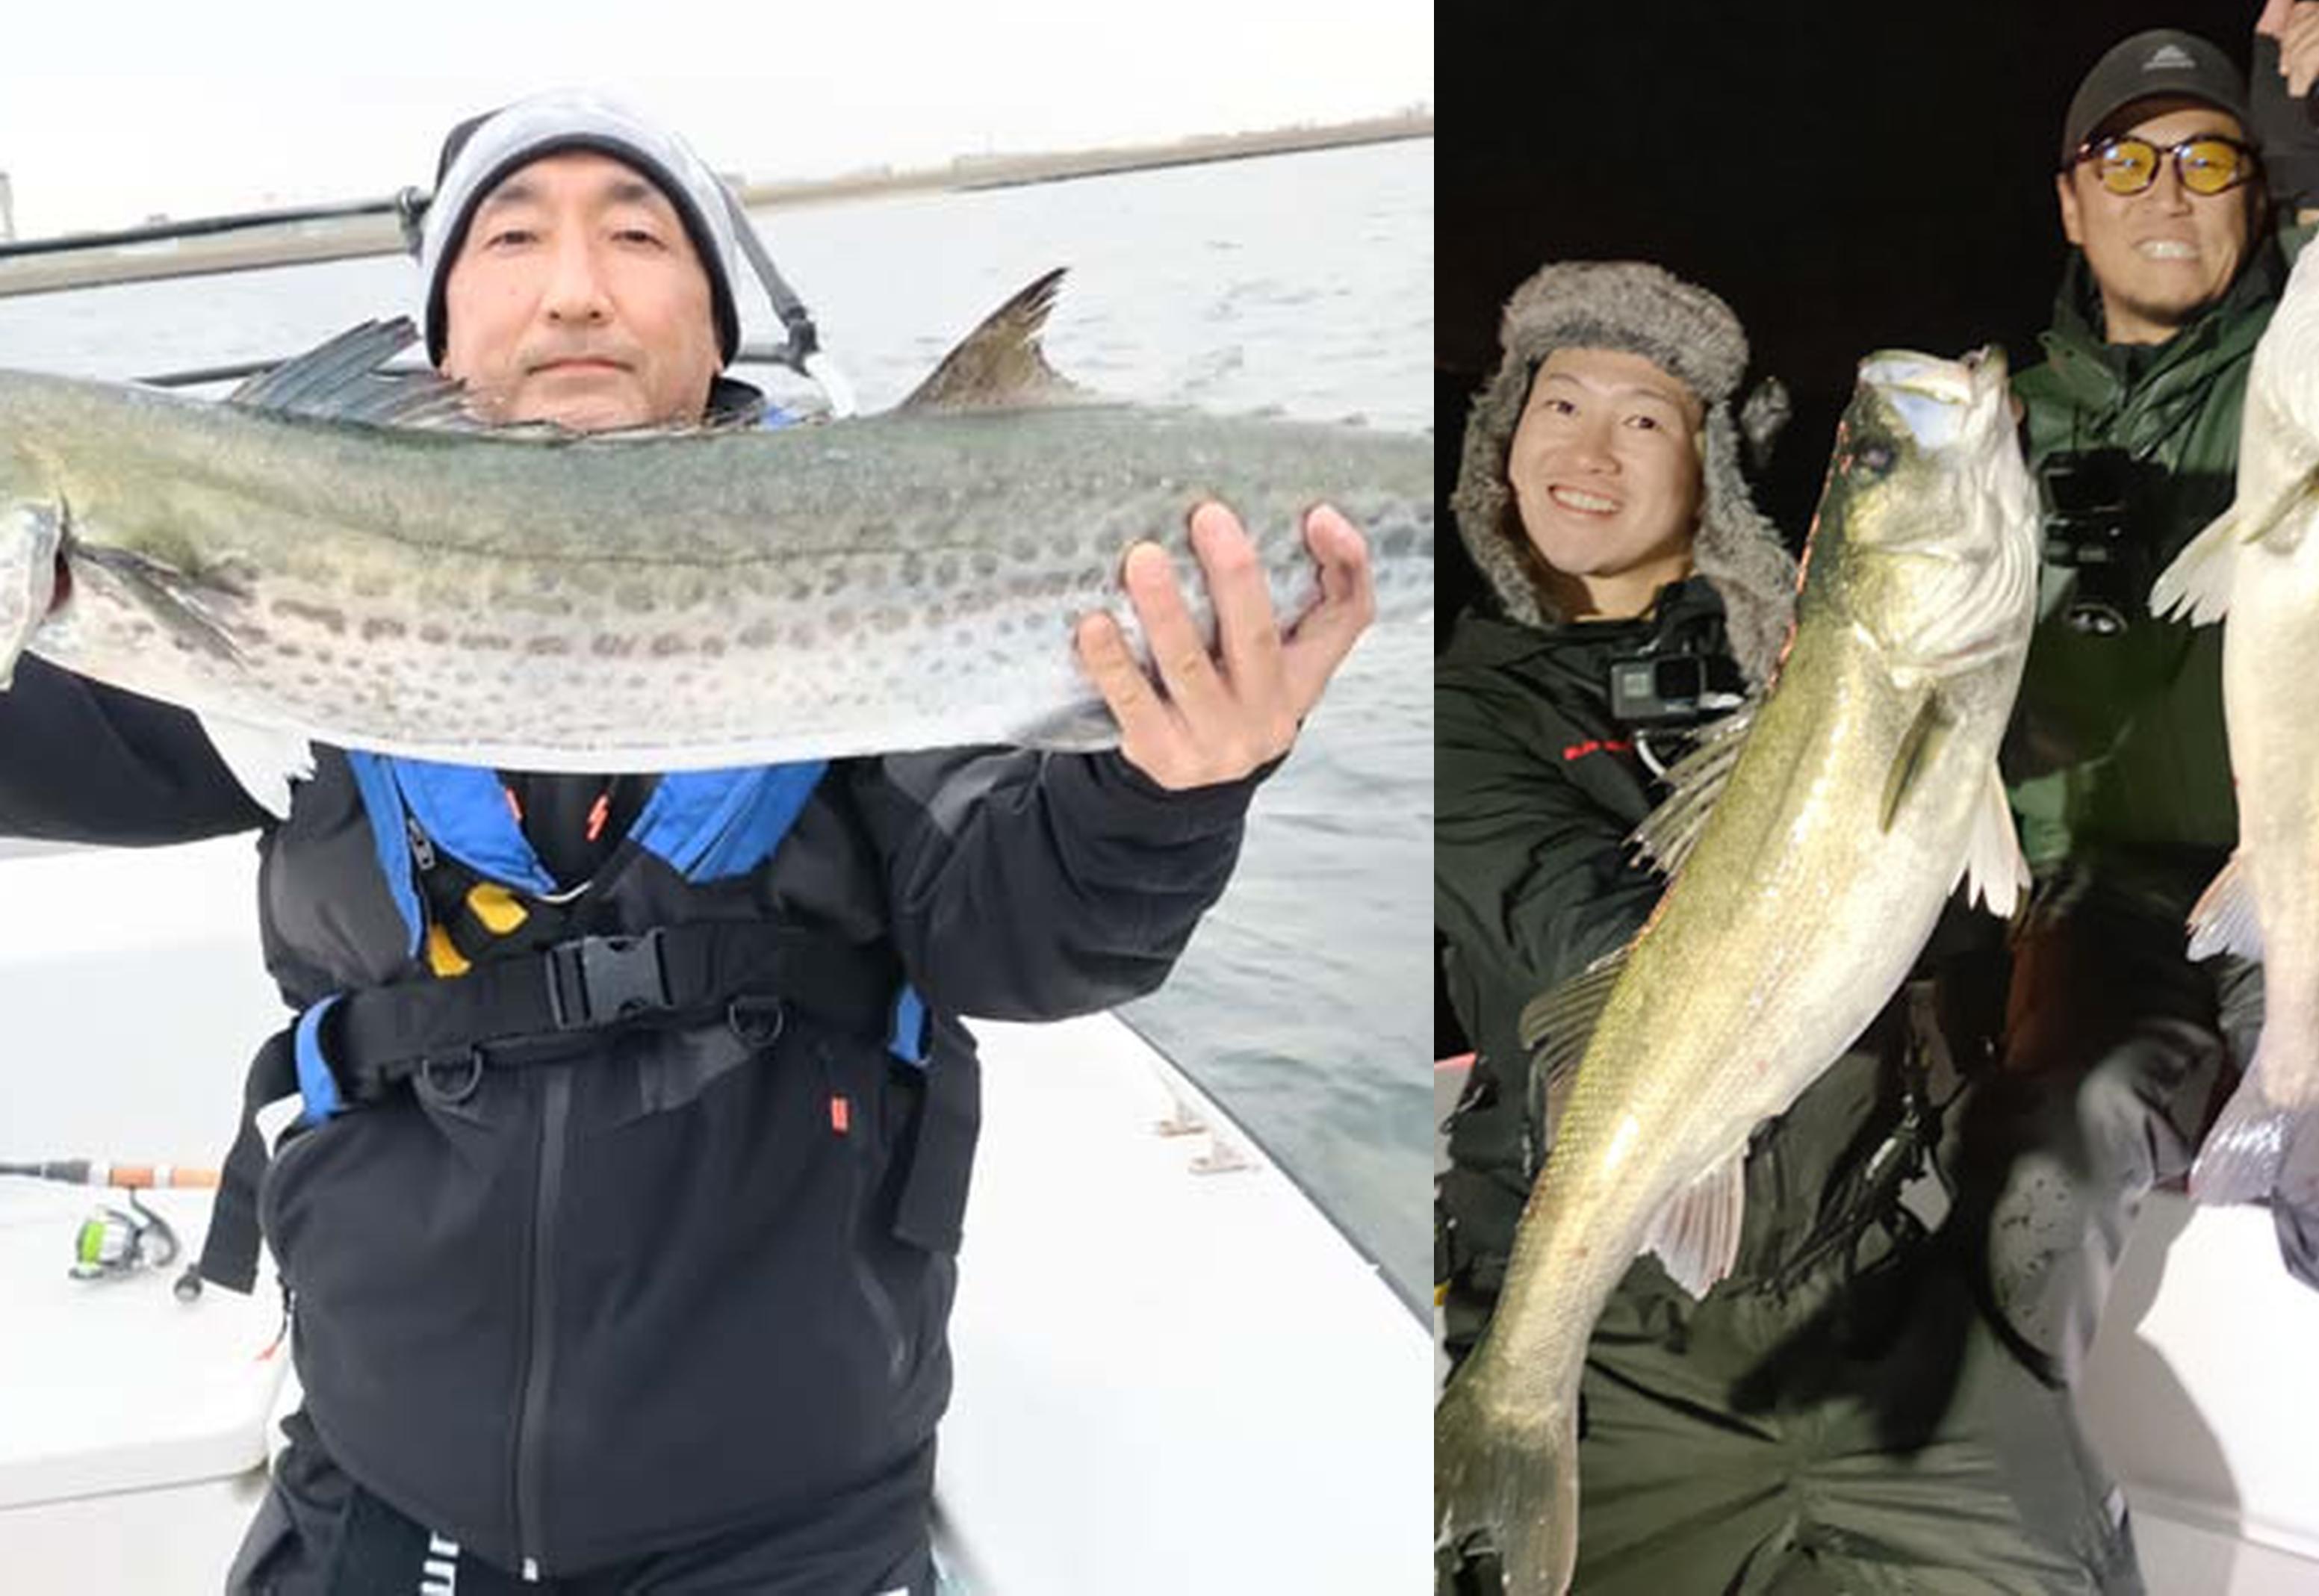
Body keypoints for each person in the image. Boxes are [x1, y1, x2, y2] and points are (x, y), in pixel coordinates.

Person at [0, 90, 1376, 1595]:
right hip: (378, 1510)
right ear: (438, 339)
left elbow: (1030, 938)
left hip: (790, 1537)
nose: (576, 284)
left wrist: (1172, 791)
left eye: (639, 234)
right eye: (511, 238)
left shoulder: (856, 578)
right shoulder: (254, 628)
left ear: (715, 328)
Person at [1435, 260, 2141, 1595]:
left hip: (1868, 1277)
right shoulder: (1458, 717)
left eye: (1646, 420)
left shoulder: (1796, 663)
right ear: (1501, 447)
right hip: (1618, 1329)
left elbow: (2024, 827)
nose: (1591, 451)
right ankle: (1505, 1407)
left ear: (1714, 469)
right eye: (1559, 405)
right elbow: (1580, 941)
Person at [1972, 0, 2319, 1382]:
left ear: (2255, 203)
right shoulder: (1998, 418)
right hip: (2105, 899)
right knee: (2036, 1199)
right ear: (2070, 205)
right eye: (2126, 160)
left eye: (2211, 159)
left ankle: (2265, 1081)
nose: (2169, 191)